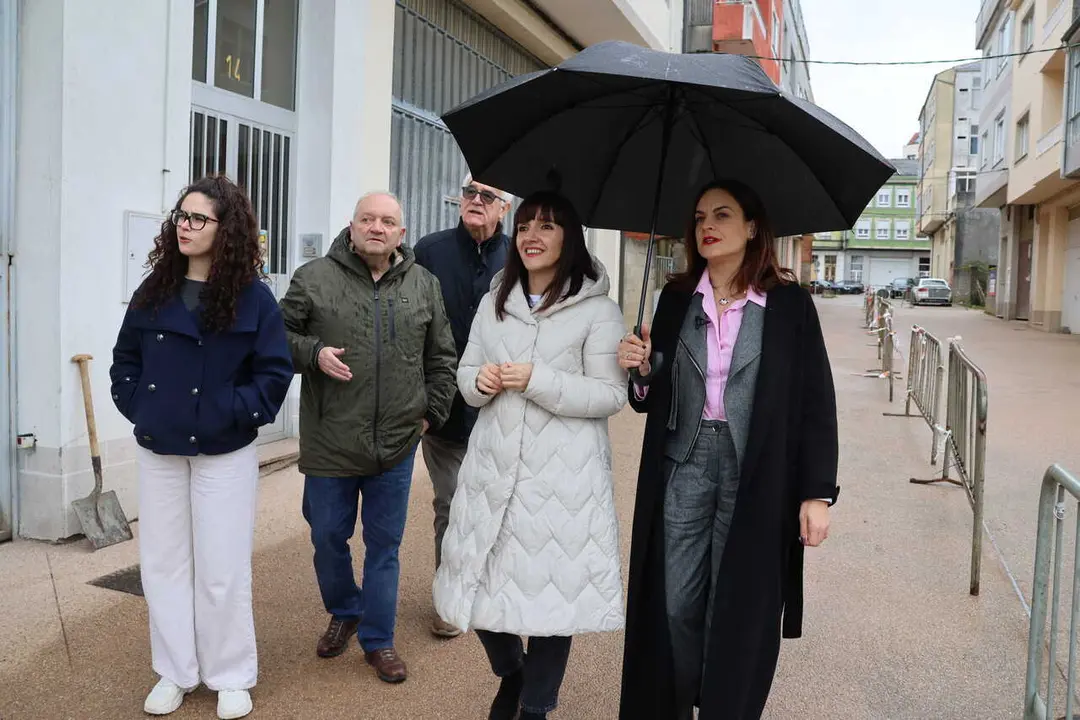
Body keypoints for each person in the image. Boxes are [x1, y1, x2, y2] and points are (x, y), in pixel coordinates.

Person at [616, 179, 839, 720]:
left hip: (756, 474)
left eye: (721, 215)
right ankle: (679, 698)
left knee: (737, 606)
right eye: (698, 218)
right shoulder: (674, 299)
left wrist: (816, 494)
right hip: (683, 465)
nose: (706, 227)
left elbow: (815, 401)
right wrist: (643, 372)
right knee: (675, 601)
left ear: (752, 227)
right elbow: (649, 399)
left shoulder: (789, 307)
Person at [433, 191, 627, 720]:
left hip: (562, 480)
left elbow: (609, 395)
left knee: (553, 598)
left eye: (547, 226)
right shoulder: (497, 298)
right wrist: (482, 380)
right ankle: (512, 674)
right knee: (477, 583)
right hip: (494, 467)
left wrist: (539, 380)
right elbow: (465, 376)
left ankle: (536, 706)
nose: (531, 236)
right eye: (524, 227)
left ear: (570, 238)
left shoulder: (597, 309)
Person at [110, 175, 293, 720]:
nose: (184, 226)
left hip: (224, 452)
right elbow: (125, 362)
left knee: (222, 566)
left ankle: (231, 675)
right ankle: (175, 671)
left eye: (197, 218)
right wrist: (143, 407)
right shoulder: (154, 290)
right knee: (162, 563)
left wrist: (232, 415)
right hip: (159, 447)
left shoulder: (253, 298)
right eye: (180, 217)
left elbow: (274, 373)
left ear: (226, 228)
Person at [278, 191, 457, 684]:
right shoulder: (313, 279)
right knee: (327, 535)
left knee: (385, 547)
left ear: (402, 233)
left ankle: (379, 640)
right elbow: (275, 336)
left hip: (397, 445)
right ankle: (345, 609)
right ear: (352, 227)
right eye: (367, 219)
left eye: (388, 221)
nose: (377, 227)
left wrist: (431, 414)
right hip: (331, 442)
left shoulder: (424, 285)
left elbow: (442, 357)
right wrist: (312, 353)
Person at [413, 175, 511, 638]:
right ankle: (449, 599)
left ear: (504, 208)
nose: (474, 201)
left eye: (486, 196)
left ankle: (491, 589)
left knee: (499, 505)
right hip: (444, 409)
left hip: (502, 408)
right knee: (450, 505)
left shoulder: (519, 258)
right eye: (469, 192)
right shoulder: (429, 250)